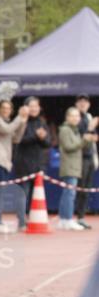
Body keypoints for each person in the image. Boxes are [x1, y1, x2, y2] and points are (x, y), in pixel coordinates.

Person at [0, 99, 28, 232]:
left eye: (8, 108)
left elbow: (16, 138)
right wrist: (19, 118)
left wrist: (23, 122)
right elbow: (6, 130)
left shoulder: (8, 121)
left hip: (5, 160)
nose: (6, 110)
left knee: (1, 191)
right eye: (3, 107)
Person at [12, 96, 51, 231]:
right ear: (25, 108)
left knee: (36, 195)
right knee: (23, 193)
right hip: (22, 163)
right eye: (31, 106)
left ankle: (32, 219)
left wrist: (43, 137)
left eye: (36, 106)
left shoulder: (42, 123)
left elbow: (48, 143)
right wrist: (36, 136)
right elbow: (18, 139)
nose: (34, 109)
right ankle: (21, 222)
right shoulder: (21, 121)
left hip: (38, 164)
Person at [57, 107, 91, 231]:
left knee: (68, 193)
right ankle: (67, 219)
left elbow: (79, 146)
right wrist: (84, 141)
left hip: (75, 166)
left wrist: (88, 141)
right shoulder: (65, 129)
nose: (75, 118)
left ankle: (63, 219)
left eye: (77, 116)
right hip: (69, 166)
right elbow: (69, 147)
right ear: (67, 117)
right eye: (73, 115)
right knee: (70, 194)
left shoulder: (75, 130)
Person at [74, 95, 98, 229]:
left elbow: (92, 137)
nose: (83, 104)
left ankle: (81, 217)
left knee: (86, 189)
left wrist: (92, 133)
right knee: (79, 189)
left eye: (85, 102)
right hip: (79, 158)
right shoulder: (75, 117)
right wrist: (90, 128)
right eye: (80, 101)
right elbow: (81, 136)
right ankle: (72, 217)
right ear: (77, 103)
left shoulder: (88, 116)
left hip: (90, 157)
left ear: (88, 104)